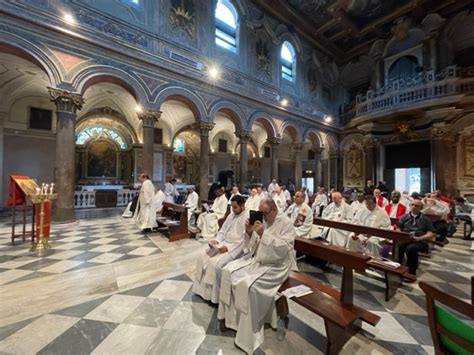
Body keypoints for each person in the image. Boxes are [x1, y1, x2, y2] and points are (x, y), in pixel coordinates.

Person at [218, 199, 296, 354]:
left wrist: (263, 233)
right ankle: (231, 320)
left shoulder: (286, 223)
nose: (263, 217)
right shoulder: (265, 220)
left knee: (249, 287)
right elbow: (252, 245)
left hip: (277, 265)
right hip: (259, 260)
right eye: (261, 213)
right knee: (228, 272)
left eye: (265, 214)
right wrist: (249, 231)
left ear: (274, 210)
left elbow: (285, 249)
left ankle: (249, 332)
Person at [193, 195, 247, 303]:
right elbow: (222, 231)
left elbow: (243, 240)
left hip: (235, 249)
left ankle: (214, 298)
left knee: (215, 264)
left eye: (235, 207)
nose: (233, 209)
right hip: (223, 244)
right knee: (202, 256)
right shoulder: (231, 215)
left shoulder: (246, 218)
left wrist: (228, 247)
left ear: (242, 205)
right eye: (231, 207)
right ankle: (202, 292)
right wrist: (216, 240)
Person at [397, 199, 434, 281]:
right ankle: (399, 266)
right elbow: (398, 227)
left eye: (416, 206)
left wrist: (420, 238)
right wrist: (402, 235)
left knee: (411, 249)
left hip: (420, 241)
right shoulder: (404, 217)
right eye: (412, 205)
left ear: (421, 208)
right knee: (399, 246)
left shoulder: (425, 219)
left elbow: (430, 233)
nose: (414, 207)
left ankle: (411, 272)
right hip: (406, 238)